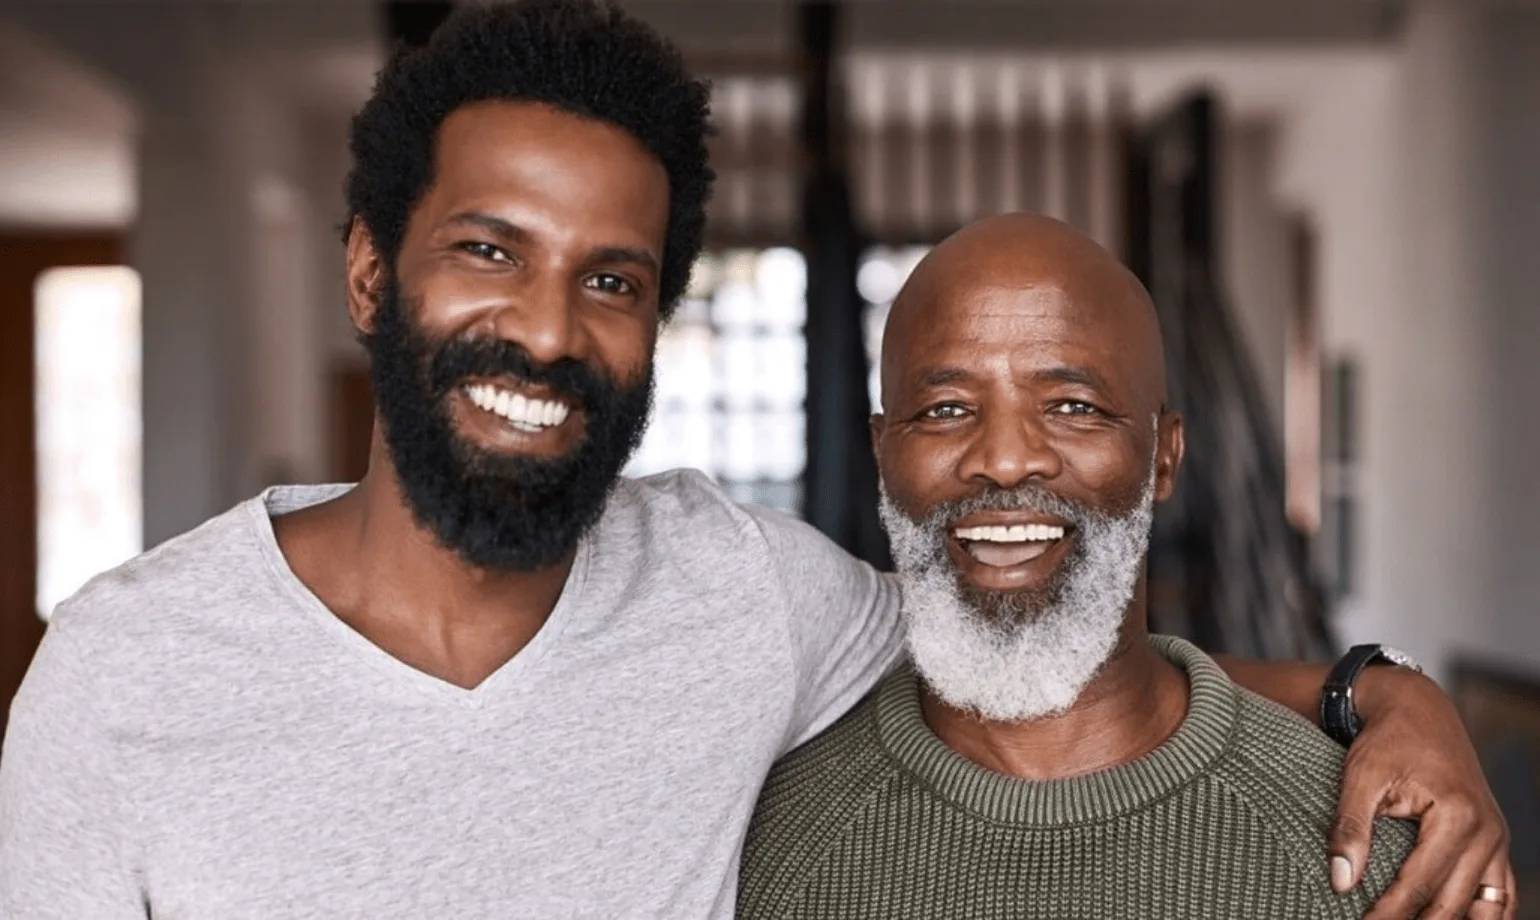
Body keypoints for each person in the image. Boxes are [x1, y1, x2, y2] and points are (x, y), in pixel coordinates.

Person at [0, 2, 1510, 917]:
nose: (548, 330)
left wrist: (1384, 695)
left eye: (614, 279)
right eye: (486, 251)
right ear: (368, 277)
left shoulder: (741, 591)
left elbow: (1050, 625)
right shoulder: (125, 679)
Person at [739, 213, 1516, 920]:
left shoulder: (1375, 864)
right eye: (945, 410)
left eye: (1072, 405)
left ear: (1164, 455)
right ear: (883, 455)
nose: (1006, 459)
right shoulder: (761, 855)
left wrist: (1396, 689)